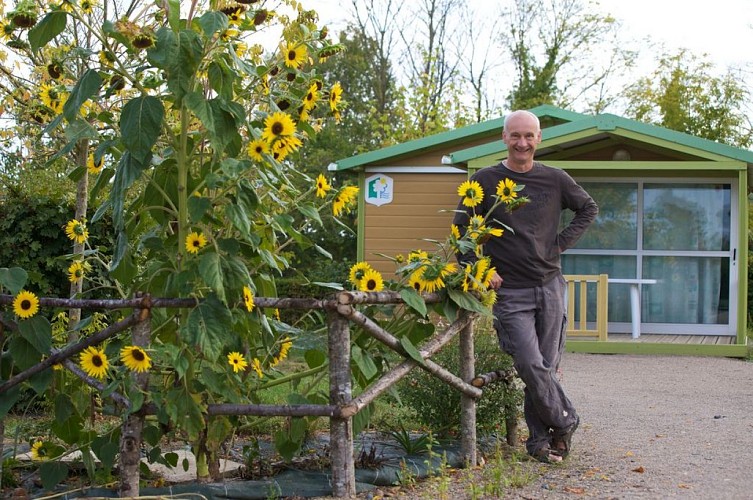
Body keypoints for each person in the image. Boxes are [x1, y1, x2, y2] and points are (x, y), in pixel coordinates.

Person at [453, 110, 598, 463]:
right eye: (515, 135)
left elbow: (588, 208)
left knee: (545, 366)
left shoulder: (555, 179)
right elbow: (461, 234)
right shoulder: (485, 180)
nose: (522, 143)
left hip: (550, 285)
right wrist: (481, 268)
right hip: (511, 292)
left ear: (539, 139)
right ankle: (565, 421)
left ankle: (542, 443)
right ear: (504, 138)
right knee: (531, 365)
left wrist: (559, 244)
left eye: (529, 136)